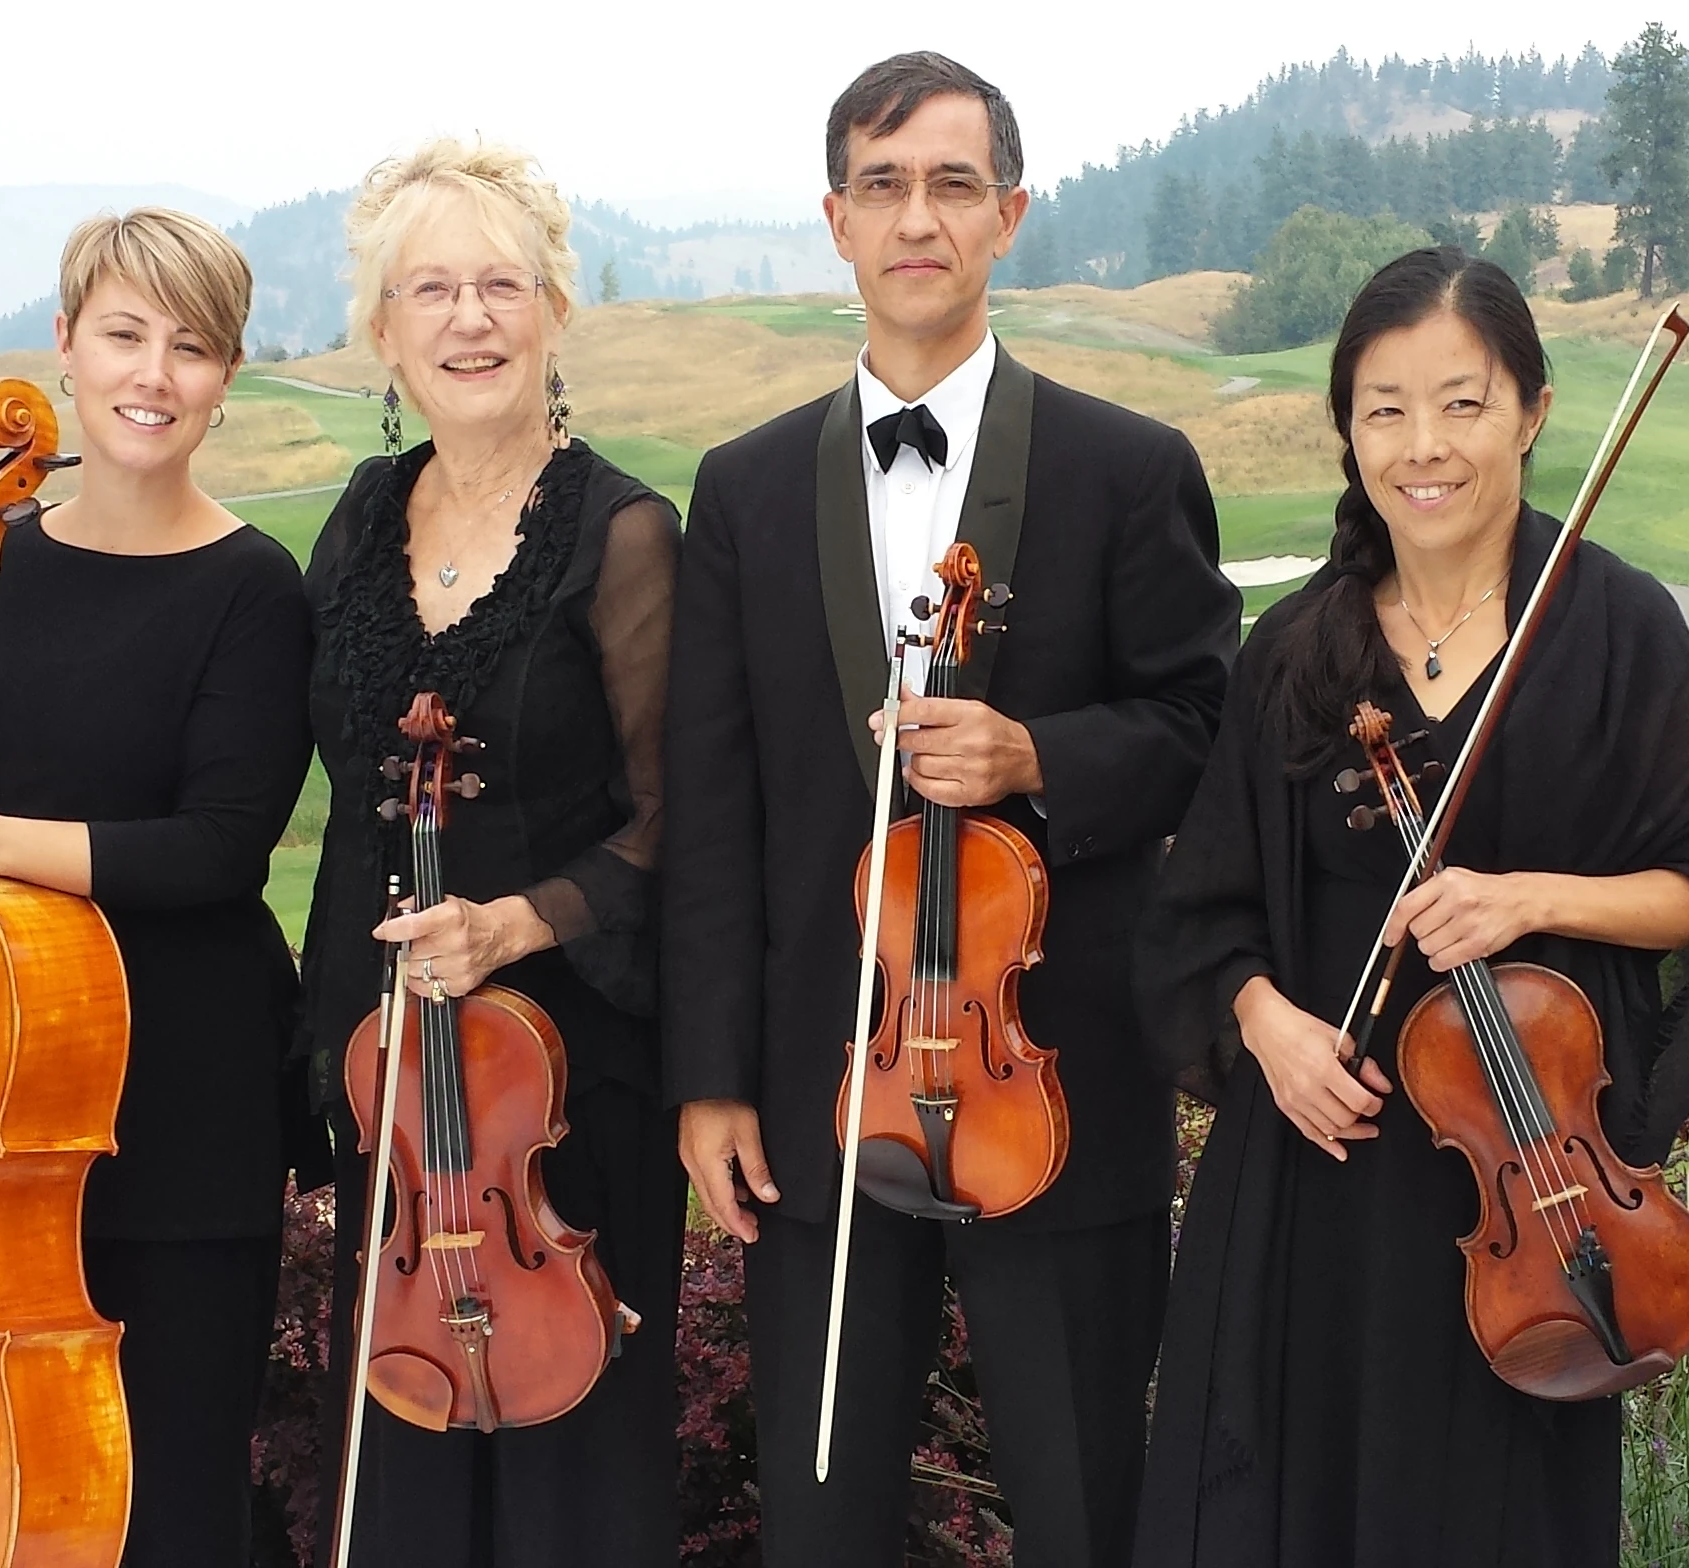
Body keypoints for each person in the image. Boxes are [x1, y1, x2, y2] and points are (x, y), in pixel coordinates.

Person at [662, 51, 1240, 1567]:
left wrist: (1038, 755)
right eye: (885, 185)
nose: (918, 217)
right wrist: (712, 1077)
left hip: (1055, 1079)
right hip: (820, 1082)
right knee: (826, 1516)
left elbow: (1203, 731)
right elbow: (714, 805)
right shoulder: (741, 489)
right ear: (837, 221)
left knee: (1083, 1514)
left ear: (1012, 215)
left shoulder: (1132, 468)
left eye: (953, 184)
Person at [1132, 247, 1689, 1567]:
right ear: (1349, 429)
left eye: (1463, 404)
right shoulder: (1298, 652)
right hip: (1316, 1188)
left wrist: (1530, 898)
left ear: (1532, 413)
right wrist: (1267, 1026)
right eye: (1385, 408)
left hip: (1534, 1212)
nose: (1425, 447)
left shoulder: (1618, 630)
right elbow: (1202, 913)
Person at [0, 207, 315, 1565]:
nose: (152, 376)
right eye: (124, 334)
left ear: (227, 376)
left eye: (192, 347)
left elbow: (216, 848)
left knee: (169, 1502)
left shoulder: (251, 588)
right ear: (65, 344)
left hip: (178, 1112)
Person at [296, 138, 684, 1568]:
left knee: (573, 1478)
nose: (471, 319)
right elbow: (340, 804)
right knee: (402, 1467)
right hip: (390, 1077)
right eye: (432, 290)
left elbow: (678, 818)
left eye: (501, 286)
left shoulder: (627, 536)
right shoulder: (355, 524)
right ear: (384, 333)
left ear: (554, 314)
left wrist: (519, 924)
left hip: (566, 1085)